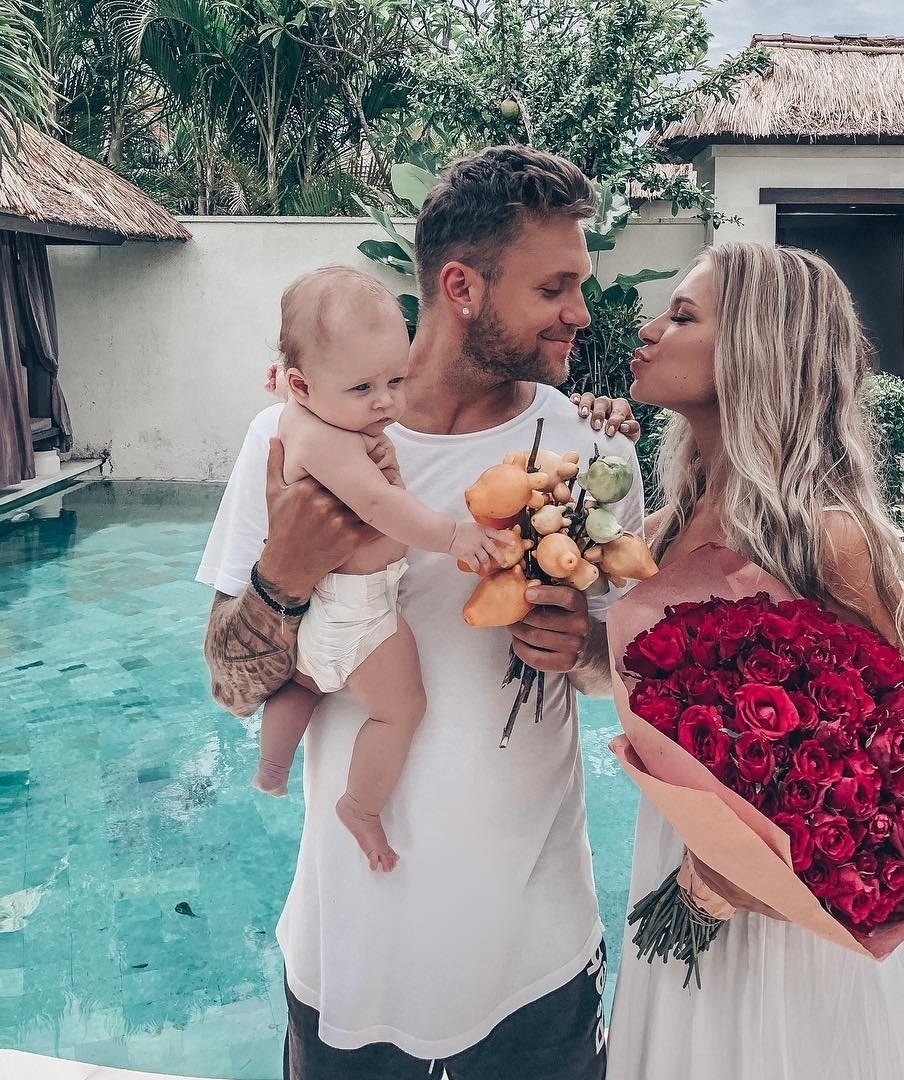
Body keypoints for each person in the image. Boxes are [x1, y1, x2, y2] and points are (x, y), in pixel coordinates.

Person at [198, 146, 642, 1079]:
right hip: (351, 945)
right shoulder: (289, 445)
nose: (580, 311)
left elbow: (628, 676)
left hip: (536, 954)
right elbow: (231, 686)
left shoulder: (590, 454)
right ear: (461, 287)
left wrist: (584, 646)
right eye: (553, 287)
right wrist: (285, 572)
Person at [606, 241, 904, 1080]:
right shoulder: (663, 528)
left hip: (785, 918)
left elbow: (892, 764)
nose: (647, 330)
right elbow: (643, 690)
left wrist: (737, 875)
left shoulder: (828, 538)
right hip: (676, 858)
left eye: (681, 316)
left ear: (755, 350)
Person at [252, 267, 510, 875]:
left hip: (319, 611)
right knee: (401, 710)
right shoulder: (332, 442)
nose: (386, 402)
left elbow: (303, 389)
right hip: (361, 613)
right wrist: (454, 536)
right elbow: (378, 505)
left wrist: (294, 388)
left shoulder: (304, 413)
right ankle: (361, 806)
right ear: (304, 384)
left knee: (302, 685)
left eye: (395, 380)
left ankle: (271, 766)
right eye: (363, 387)